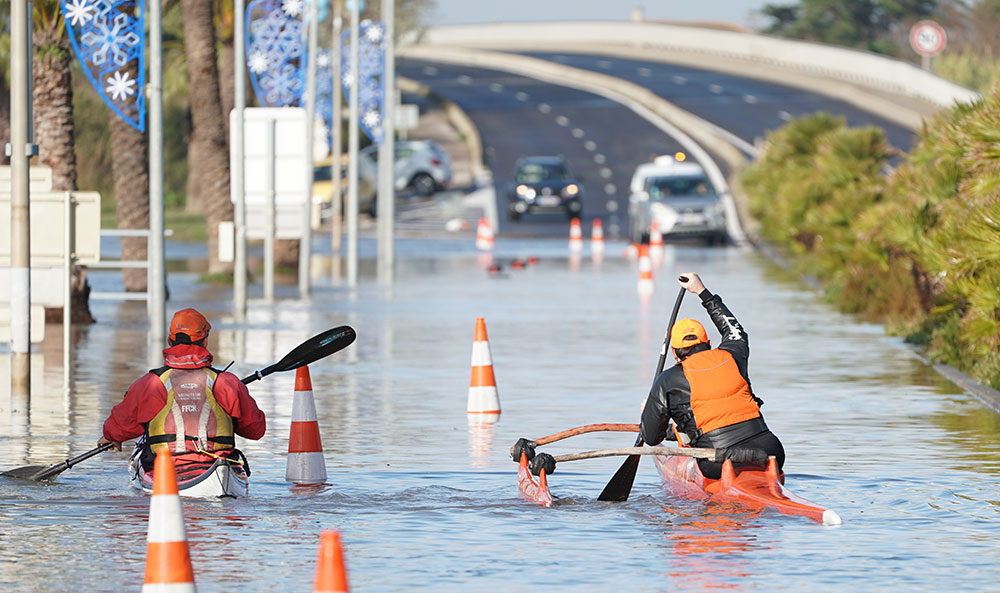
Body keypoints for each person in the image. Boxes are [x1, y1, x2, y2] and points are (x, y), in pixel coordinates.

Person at [639, 273, 784, 478]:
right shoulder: (733, 354)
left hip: (716, 462)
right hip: (770, 451)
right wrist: (702, 291)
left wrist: (647, 415)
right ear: (708, 344)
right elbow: (734, 329)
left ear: (674, 353)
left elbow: (652, 438)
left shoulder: (667, 380)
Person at [99, 308, 266, 472]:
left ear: (170, 341)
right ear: (205, 341)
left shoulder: (150, 384)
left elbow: (123, 422)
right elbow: (256, 430)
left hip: (166, 470)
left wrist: (111, 436)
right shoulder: (227, 382)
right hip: (216, 466)